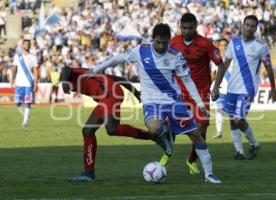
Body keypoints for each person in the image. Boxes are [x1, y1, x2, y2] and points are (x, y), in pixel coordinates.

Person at [90, 23, 222, 183]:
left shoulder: (175, 55)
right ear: (153, 40)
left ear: (169, 41)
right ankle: (166, 134)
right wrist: (97, 69)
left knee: (195, 135)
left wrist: (200, 104)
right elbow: (118, 58)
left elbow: (187, 80)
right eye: (158, 42)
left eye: (165, 42)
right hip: (151, 101)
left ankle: (209, 174)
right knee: (154, 128)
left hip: (174, 101)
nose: (161, 46)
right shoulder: (141, 50)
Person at [60, 66, 173, 182]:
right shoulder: (88, 74)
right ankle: (89, 173)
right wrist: (136, 93)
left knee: (112, 129)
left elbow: (65, 69)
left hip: (110, 94)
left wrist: (64, 82)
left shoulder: (69, 74)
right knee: (87, 131)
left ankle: (153, 135)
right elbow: (119, 78)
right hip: (105, 97)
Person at [162, 13, 226, 174]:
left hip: (201, 92)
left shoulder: (205, 44)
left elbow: (221, 65)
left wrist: (216, 87)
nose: (187, 31)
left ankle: (191, 160)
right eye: (184, 27)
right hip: (179, 93)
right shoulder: (173, 43)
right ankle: (167, 154)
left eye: (190, 28)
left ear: (196, 26)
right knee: (170, 126)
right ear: (180, 26)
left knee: (201, 128)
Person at [223, 15, 276, 160]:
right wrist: (216, 86)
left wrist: (273, 88)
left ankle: (254, 143)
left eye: (252, 26)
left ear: (256, 28)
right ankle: (239, 152)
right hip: (232, 88)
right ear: (243, 25)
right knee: (231, 119)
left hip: (248, 89)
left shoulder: (261, 45)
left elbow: (269, 68)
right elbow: (225, 65)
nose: (249, 28)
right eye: (247, 25)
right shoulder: (233, 43)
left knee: (238, 120)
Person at [11, 39, 39, 128]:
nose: (26, 45)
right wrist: (12, 79)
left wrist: (36, 83)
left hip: (28, 83)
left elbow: (35, 71)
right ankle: (26, 114)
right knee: (18, 103)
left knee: (28, 102)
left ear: (30, 46)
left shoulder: (33, 57)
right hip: (19, 82)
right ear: (22, 46)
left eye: (28, 44)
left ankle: (25, 122)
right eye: (25, 44)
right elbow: (14, 68)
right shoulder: (17, 56)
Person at [211, 38, 231, 139]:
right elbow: (213, 74)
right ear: (218, 47)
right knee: (218, 109)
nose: (224, 47)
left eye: (226, 45)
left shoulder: (232, 58)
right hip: (220, 87)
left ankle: (237, 131)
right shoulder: (216, 59)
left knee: (230, 111)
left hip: (231, 87)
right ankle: (219, 132)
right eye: (222, 45)